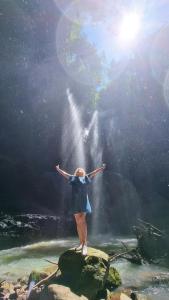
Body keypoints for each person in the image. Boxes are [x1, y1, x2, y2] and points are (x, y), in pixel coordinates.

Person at [56, 164, 106, 255]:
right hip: (75, 202)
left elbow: (94, 172)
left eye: (80, 169)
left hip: (83, 201)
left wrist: (101, 168)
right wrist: (58, 169)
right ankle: (80, 243)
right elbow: (64, 174)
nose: (79, 170)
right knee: (78, 222)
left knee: (82, 221)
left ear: (83, 172)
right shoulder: (73, 178)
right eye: (77, 169)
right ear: (76, 172)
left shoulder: (85, 177)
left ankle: (85, 244)